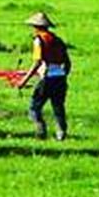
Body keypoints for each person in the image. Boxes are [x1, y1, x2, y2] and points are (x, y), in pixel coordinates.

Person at [12, 12, 71, 140]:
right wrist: (62, 75)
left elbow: (37, 62)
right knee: (58, 107)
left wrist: (24, 80)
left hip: (47, 78)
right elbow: (67, 63)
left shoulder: (39, 40)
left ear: (36, 27)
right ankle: (61, 134)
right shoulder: (58, 40)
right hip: (60, 78)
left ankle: (41, 132)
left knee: (34, 108)